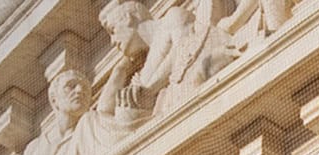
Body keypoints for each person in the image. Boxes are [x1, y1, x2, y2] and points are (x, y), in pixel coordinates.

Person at [98, 1, 238, 121]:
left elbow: (185, 49)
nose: (112, 42)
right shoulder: (143, 71)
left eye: (113, 30)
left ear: (127, 18)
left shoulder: (172, 17)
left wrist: (151, 88)